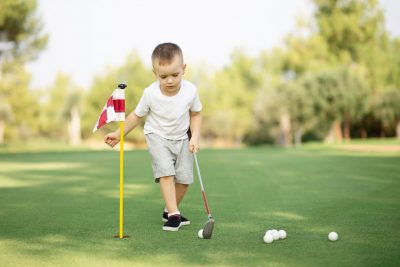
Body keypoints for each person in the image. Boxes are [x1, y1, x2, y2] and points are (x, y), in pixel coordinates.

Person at [104, 43, 202, 232]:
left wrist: (195, 136)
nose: (170, 81)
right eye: (163, 76)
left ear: (184, 69)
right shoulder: (150, 93)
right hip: (157, 135)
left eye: (175, 75)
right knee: (166, 173)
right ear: (154, 73)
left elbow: (196, 114)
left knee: (184, 180)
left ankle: (168, 210)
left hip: (182, 138)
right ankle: (174, 215)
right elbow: (136, 115)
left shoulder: (191, 91)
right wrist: (119, 134)